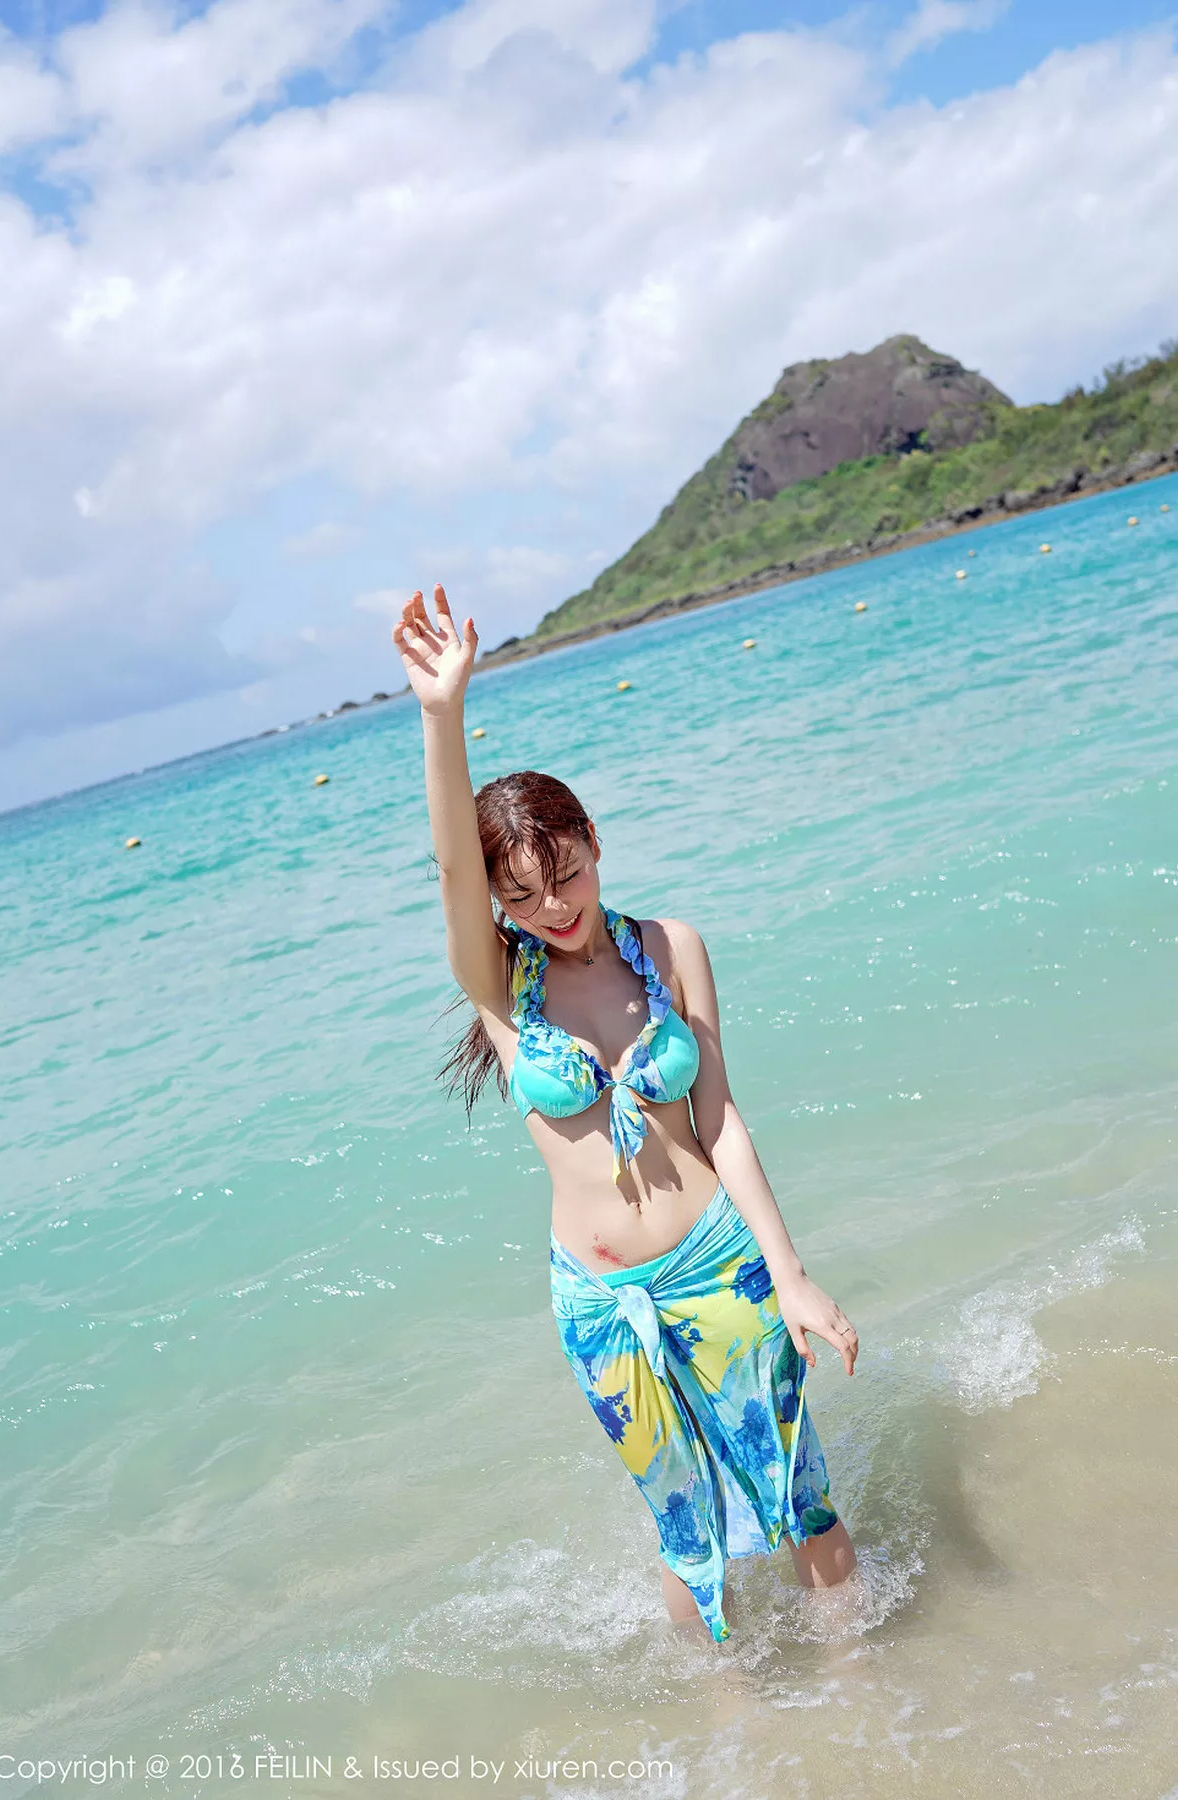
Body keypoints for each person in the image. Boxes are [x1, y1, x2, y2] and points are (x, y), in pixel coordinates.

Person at [394, 583, 860, 1642]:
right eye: (522, 897)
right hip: (601, 1304)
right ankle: (728, 1719)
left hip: (720, 1264)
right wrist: (440, 712)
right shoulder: (499, 987)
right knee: (686, 1535)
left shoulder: (671, 947)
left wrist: (791, 1274)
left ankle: (863, 1692)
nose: (552, 907)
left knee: (799, 1496)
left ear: (594, 842)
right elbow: (453, 866)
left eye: (565, 874)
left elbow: (721, 1121)